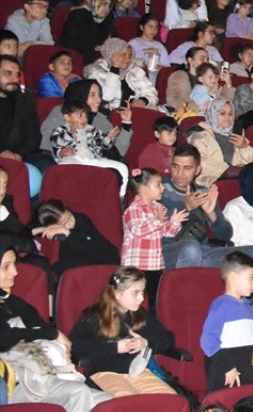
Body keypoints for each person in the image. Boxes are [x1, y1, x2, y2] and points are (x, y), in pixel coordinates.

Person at [0, 247, 113, 411]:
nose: (15, 272)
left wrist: (58, 346)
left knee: (108, 402)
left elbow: (39, 328)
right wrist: (53, 334)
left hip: (40, 376)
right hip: (14, 384)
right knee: (77, 393)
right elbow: (4, 338)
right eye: (6, 266)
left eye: (14, 265)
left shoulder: (13, 302)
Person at [201, 250, 253, 392]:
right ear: (233, 277)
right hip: (227, 374)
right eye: (251, 278)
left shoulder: (248, 306)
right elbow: (208, 341)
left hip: (247, 372)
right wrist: (227, 367)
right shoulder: (221, 306)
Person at [122, 168, 187, 303]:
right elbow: (138, 230)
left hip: (155, 265)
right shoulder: (133, 209)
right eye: (158, 184)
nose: (163, 188)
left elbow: (167, 232)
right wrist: (157, 221)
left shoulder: (158, 208)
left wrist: (175, 222)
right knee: (136, 300)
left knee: (152, 300)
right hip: (136, 266)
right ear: (144, 189)